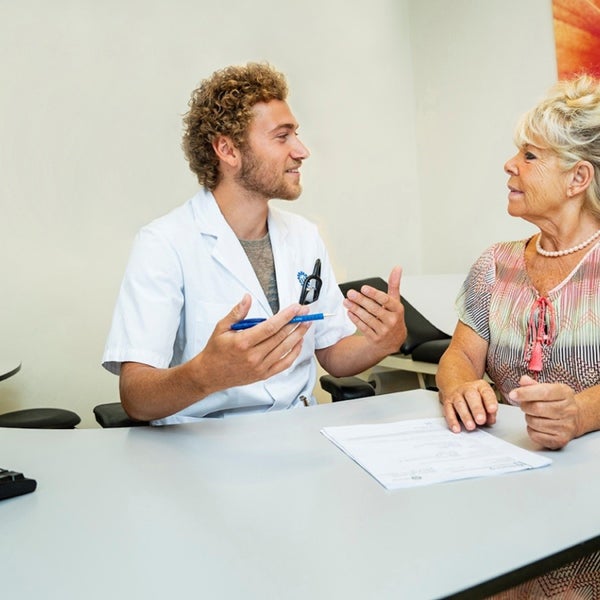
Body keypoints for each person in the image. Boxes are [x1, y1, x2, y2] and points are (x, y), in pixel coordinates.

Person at [102, 62, 406, 425]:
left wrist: (384, 341)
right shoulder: (164, 243)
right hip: (206, 447)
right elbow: (136, 397)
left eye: (296, 134)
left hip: (299, 432)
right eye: (282, 136)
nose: (302, 150)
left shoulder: (304, 236)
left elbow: (334, 353)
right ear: (228, 150)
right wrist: (206, 374)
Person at [437, 74, 600, 451]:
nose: (510, 165)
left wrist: (579, 413)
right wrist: (461, 387)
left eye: (530, 156)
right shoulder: (495, 263)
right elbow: (460, 354)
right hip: (511, 461)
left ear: (578, 177)